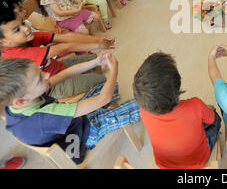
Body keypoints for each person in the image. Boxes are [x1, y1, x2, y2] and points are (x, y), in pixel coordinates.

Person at [0, 54, 140, 165]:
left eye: (40, 71)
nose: (46, 75)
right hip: (82, 138)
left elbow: (64, 75)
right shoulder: (45, 117)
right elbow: (104, 98)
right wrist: (114, 68)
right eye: (39, 78)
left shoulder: (15, 105)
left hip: (70, 126)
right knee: (138, 104)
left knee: (110, 87)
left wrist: (95, 62)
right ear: (20, 101)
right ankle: (110, 114)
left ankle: (108, 112)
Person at [0, 0, 115, 99]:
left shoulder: (28, 38)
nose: (25, 28)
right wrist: (99, 44)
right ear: (3, 41)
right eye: (16, 30)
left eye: (23, 23)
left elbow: (67, 38)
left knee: (96, 61)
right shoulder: (15, 55)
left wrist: (99, 40)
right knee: (100, 81)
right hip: (51, 87)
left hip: (58, 68)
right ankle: (106, 104)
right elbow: (66, 47)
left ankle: (98, 92)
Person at [134, 52, 221, 169]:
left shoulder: (143, 112)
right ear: (178, 86)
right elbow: (211, 119)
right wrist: (209, 110)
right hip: (198, 161)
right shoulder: (195, 105)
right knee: (215, 118)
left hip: (164, 164)